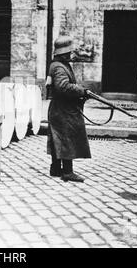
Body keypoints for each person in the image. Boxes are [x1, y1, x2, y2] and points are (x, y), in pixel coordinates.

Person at [46, 35, 91, 182]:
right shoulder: (59, 67)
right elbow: (63, 86)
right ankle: (67, 172)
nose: (71, 54)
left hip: (59, 108)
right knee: (67, 138)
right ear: (63, 53)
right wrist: (81, 90)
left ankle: (55, 168)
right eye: (69, 52)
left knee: (58, 138)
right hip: (62, 109)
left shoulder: (58, 64)